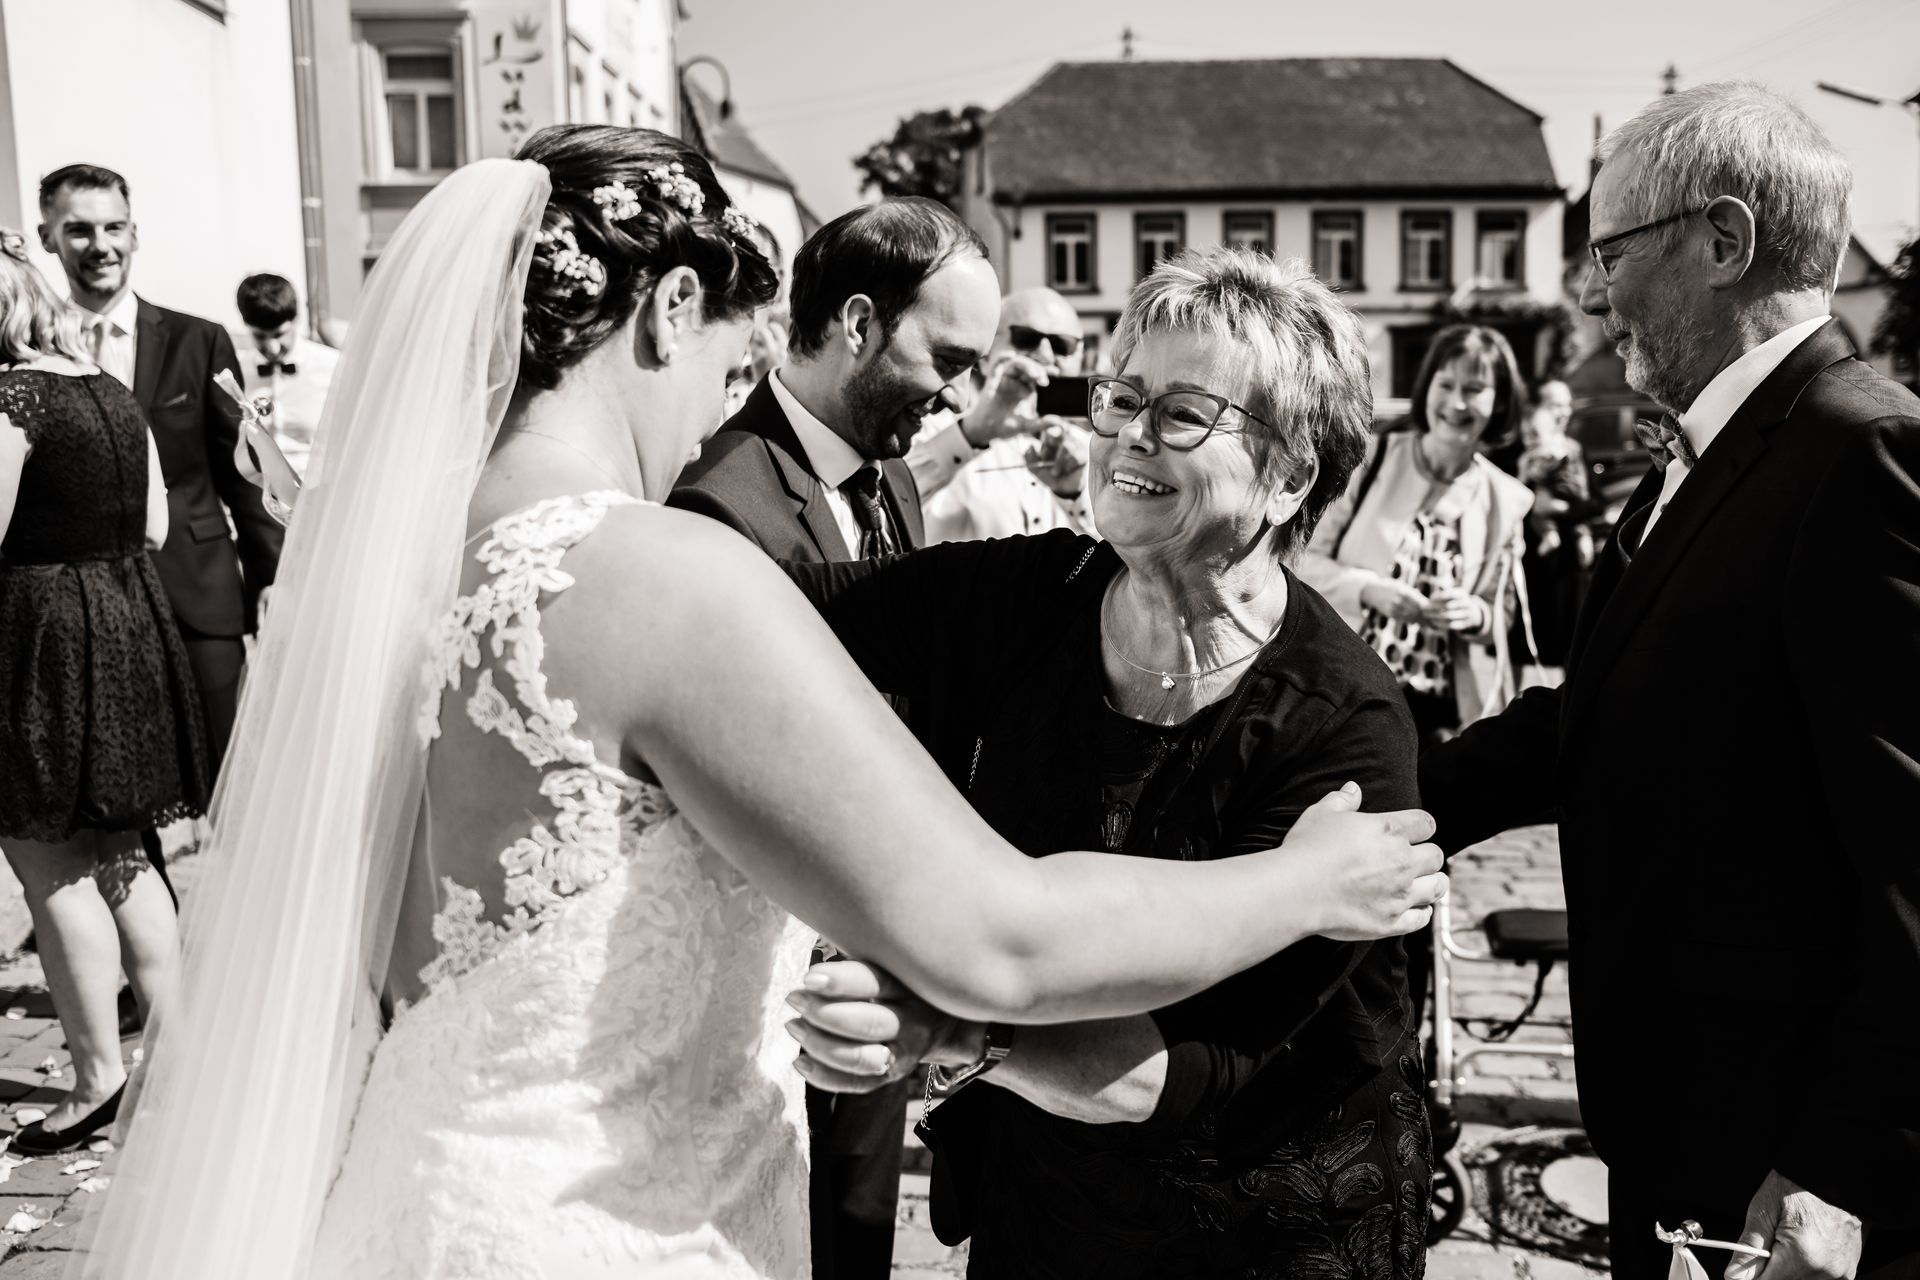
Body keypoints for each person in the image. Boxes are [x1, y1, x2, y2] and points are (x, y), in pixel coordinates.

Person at [78, 126, 1446, 1280]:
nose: (716, 423)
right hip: (615, 1224)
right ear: (669, 309)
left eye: (1178, 415)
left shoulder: (408, 559)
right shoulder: (662, 575)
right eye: (734, 368)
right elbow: (997, 936)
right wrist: (1307, 880)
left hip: (418, 1189)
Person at [776, 248, 1434, 1278]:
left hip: (1254, 1230)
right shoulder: (1030, 594)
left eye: (1183, 413)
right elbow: (777, 610)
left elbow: (1175, 1068)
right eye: (1121, 397)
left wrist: (944, 1027)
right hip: (1040, 1202)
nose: (1130, 432)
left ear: (1289, 477)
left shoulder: (1345, 727)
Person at [1419, 83, 1920, 1280]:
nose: (1592, 294)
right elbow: (1602, 713)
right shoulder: (1712, 448)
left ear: (1723, 241)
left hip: (1774, 1166)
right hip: (1676, 1117)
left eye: (1609, 252)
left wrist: (1835, 1173)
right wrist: (1368, 784)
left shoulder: (1862, 451)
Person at [669, 197, 996, 1278]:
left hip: (872, 940)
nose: (960, 394)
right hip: (780, 965)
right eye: (948, 358)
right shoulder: (720, 502)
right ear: (859, 323)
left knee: (857, 1233)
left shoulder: (890, 471)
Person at [0, 229, 201, 1155]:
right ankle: (184, 1060)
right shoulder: (110, 390)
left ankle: (96, 1079)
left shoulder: (12, 399)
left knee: (50, 862)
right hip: (125, 625)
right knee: (122, 854)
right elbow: (154, 526)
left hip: (39, 639)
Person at [37, 165, 282, 779]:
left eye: (114, 227)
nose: (101, 245)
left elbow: (242, 476)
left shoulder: (199, 340)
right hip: (86, 606)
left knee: (229, 780)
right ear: (47, 238)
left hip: (199, 591)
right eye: (79, 230)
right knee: (118, 785)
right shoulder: (33, 350)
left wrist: (272, 576)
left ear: (135, 233)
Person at [1300, 324, 1536, 748]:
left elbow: (1499, 618)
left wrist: (1473, 614)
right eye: (1446, 384)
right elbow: (1300, 563)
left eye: (1474, 389)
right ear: (1427, 388)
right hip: (1342, 685)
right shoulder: (1370, 460)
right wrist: (1369, 591)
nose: (1457, 402)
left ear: (1499, 401)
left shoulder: (1506, 499)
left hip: (1435, 715)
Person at [906, 285, 1098, 542]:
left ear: (1079, 359)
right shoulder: (929, 428)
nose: (1045, 355)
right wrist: (972, 434)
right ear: (986, 356)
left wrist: (1074, 497)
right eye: (1026, 338)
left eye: (1062, 345)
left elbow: (1122, 555)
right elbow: (884, 502)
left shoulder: (1093, 450)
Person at [1514, 378, 1596, 672]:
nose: (1564, 412)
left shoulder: (1573, 450)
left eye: (1567, 405)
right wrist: (1530, 500)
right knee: (1524, 644)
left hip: (1565, 562)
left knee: (1567, 644)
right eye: (1555, 405)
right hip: (1528, 560)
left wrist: (1564, 511)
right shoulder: (1520, 449)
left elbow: (1593, 501)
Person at [232, 272, 340, 480]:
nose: (272, 347)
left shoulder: (333, 366)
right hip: (259, 492)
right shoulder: (236, 370)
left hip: (320, 488)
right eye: (260, 336)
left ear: (296, 320)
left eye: (279, 334)